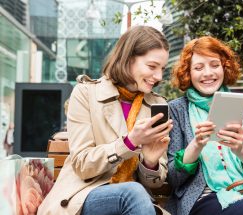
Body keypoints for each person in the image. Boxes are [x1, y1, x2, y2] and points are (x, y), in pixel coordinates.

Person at [38, 26, 173, 215]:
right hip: (84, 195)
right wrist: (129, 143)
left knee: (135, 192)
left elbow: (156, 183)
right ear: (128, 59)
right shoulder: (85, 93)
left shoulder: (158, 105)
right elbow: (82, 165)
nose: (158, 77)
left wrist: (150, 164)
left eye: (162, 69)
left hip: (137, 202)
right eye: (152, 67)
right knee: (132, 192)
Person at [166, 36, 243, 215]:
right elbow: (173, 178)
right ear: (188, 72)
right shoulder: (177, 109)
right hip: (200, 199)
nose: (208, 73)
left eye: (214, 65)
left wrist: (240, 149)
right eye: (198, 67)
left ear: (224, 67)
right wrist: (196, 146)